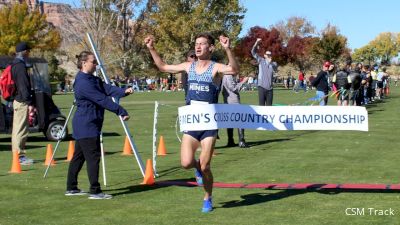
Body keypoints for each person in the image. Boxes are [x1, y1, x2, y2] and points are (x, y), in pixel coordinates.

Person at [145, 33, 239, 213]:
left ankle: (207, 197)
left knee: (206, 166)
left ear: (210, 48)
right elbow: (163, 67)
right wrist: (151, 48)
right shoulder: (188, 67)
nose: (198, 47)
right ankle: (196, 168)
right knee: (186, 163)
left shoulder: (215, 68)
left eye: (202, 44)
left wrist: (228, 48)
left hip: (208, 125)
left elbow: (234, 69)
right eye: (196, 43)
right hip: (191, 123)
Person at [66, 51, 133, 199]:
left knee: (79, 156)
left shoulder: (92, 79)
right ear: (84, 63)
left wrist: (123, 92)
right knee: (93, 157)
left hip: (90, 123)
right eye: (93, 62)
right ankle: (95, 191)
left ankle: (71, 187)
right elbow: (101, 99)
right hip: (86, 124)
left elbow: (107, 89)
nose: (96, 64)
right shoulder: (83, 82)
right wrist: (120, 111)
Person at [11, 42, 35, 165]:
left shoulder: (15, 64)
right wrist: (29, 102)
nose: (29, 53)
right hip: (21, 101)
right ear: (25, 52)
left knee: (17, 129)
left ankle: (17, 156)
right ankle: (19, 156)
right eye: (28, 51)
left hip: (18, 100)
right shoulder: (20, 66)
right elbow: (23, 86)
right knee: (21, 130)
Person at [222, 73, 249, 148]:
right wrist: (244, 81)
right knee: (240, 120)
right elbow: (234, 88)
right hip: (233, 101)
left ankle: (230, 141)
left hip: (228, 101)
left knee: (230, 121)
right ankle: (241, 141)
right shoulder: (228, 76)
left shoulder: (227, 75)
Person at [251, 38, 275, 106]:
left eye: (270, 55)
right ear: (264, 55)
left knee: (269, 107)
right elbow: (253, 52)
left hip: (270, 89)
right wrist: (256, 42)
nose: (269, 56)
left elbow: (276, 68)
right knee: (261, 106)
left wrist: (271, 63)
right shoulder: (261, 60)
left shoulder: (273, 64)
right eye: (267, 55)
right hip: (261, 87)